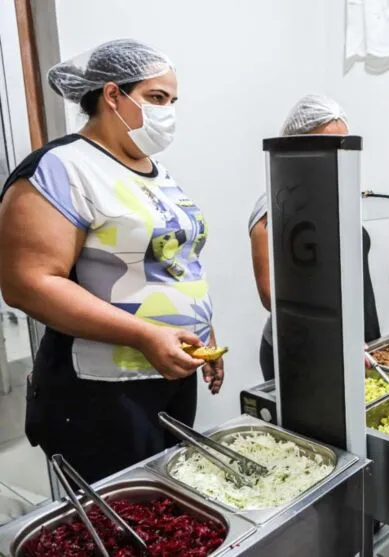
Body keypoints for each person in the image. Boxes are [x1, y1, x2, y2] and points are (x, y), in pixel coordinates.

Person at [0, 40, 224, 483]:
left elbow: (172, 260)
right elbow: (28, 284)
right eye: (156, 98)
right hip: (101, 390)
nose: (168, 112)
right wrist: (144, 335)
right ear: (112, 95)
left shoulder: (153, 172)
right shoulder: (60, 169)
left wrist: (203, 332)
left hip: (169, 373)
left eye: (173, 101)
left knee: (172, 507)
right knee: (121, 525)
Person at [249, 94, 381, 381]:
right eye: (328, 146)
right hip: (298, 348)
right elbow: (271, 294)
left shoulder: (335, 196)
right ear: (296, 146)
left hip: (348, 342)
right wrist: (334, 336)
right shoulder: (273, 207)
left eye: (344, 146)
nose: (338, 156)